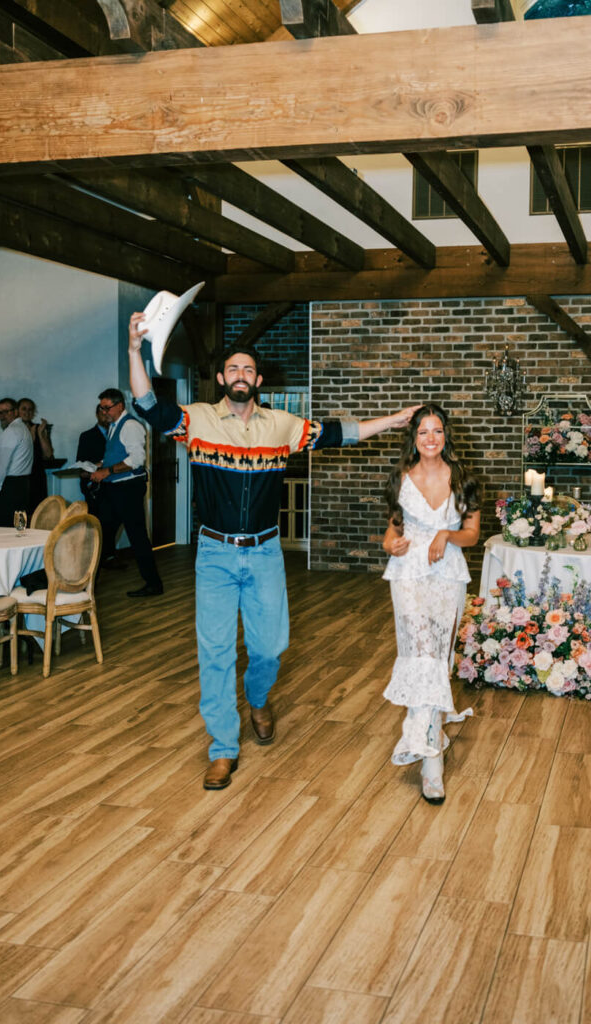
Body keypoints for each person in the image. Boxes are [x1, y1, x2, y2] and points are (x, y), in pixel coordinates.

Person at [127, 308, 419, 791]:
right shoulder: (195, 420)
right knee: (215, 651)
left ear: (257, 379)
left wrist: (393, 421)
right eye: (232, 369)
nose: (240, 376)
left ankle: (258, 697)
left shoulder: (282, 425)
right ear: (221, 378)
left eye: (248, 370)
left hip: (264, 553)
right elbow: (145, 404)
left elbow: (336, 433)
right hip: (215, 554)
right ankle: (223, 747)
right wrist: (134, 349)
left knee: (270, 646)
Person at [382, 403, 480, 805]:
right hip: (407, 573)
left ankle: (428, 737)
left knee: (437, 658)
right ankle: (431, 762)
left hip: (447, 574)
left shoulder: (464, 480)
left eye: (437, 431)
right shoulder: (400, 479)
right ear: (414, 438)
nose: (430, 438)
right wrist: (392, 544)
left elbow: (472, 534)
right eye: (423, 432)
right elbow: (392, 532)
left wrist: (446, 534)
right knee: (420, 651)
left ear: (446, 436)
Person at [89, 388, 163, 596]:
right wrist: (102, 464)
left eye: (107, 408)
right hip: (115, 489)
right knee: (102, 534)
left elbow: (137, 460)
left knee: (136, 537)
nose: (104, 412)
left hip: (127, 489)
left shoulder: (130, 425)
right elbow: (119, 453)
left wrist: (108, 471)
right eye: (102, 408)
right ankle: (85, 584)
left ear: (119, 405)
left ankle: (153, 584)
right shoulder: (114, 426)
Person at [0, 398, 33, 527]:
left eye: (6, 412)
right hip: (23, 485)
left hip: (9, 488)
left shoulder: (11, 431)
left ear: (15, 412)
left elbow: (1, 465)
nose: (2, 416)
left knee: (2, 530)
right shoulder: (23, 429)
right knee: (19, 529)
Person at [18, 397, 54, 515]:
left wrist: (40, 434)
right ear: (17, 411)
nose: (27, 412)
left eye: (30, 409)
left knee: (38, 512)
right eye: (24, 409)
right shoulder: (14, 430)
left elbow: (48, 454)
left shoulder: (38, 428)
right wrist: (32, 437)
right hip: (21, 476)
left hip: (37, 476)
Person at [77, 404, 110, 518]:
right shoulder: (86, 436)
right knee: (96, 526)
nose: (106, 417)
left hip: (115, 487)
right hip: (95, 489)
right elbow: (80, 465)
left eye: (108, 414)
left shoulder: (117, 434)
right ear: (97, 415)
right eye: (102, 414)